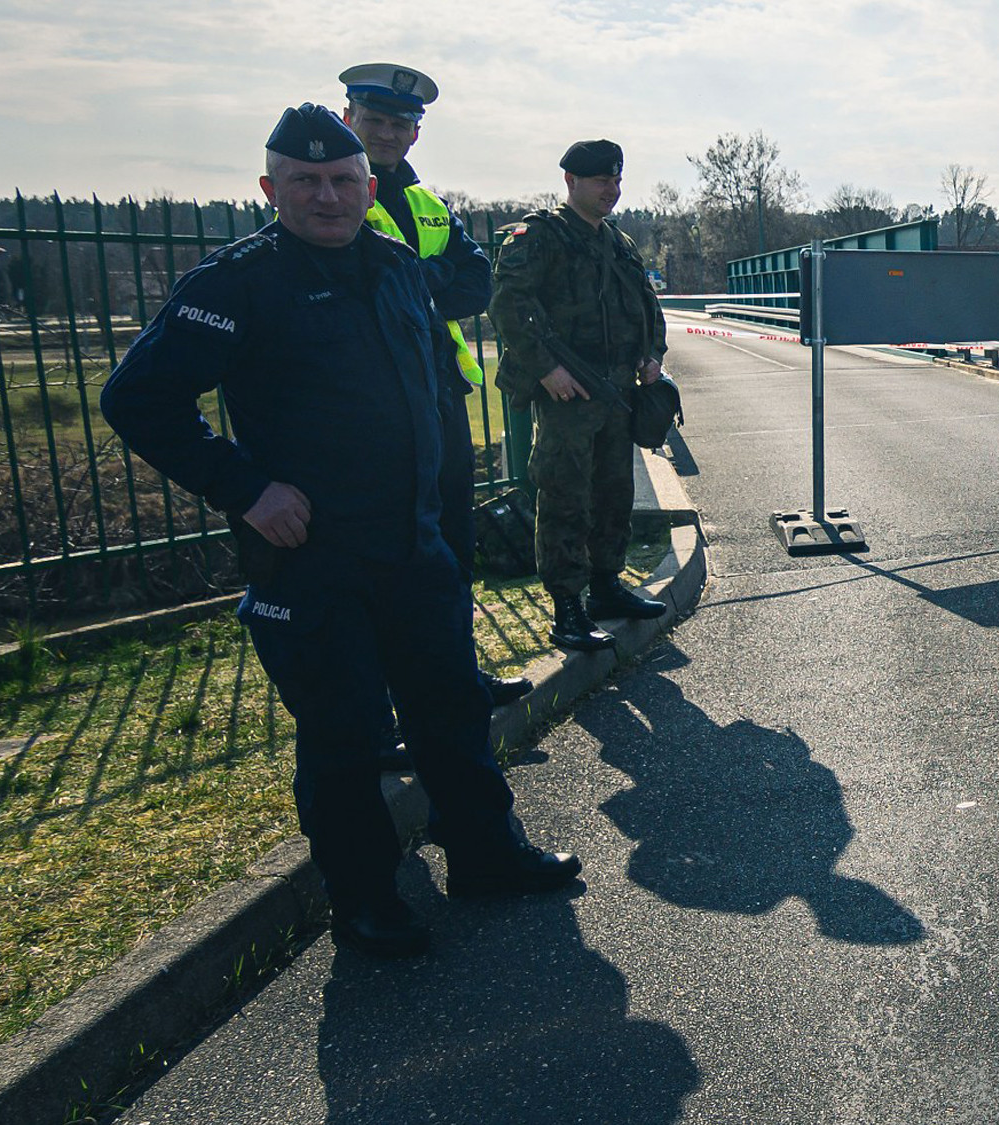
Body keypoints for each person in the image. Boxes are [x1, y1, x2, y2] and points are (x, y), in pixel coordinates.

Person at [101, 105, 582, 960]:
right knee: (345, 733)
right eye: (305, 181)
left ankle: (484, 854)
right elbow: (136, 399)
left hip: (415, 544)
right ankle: (365, 901)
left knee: (450, 709)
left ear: (368, 186)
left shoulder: (398, 265)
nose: (327, 196)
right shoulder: (236, 282)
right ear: (269, 188)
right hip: (309, 556)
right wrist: (244, 487)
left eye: (342, 180)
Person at [339, 62, 533, 714]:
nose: (389, 134)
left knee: (451, 548)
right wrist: (430, 279)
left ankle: (456, 677)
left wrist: (410, 283)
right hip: (376, 409)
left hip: (442, 401)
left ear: (415, 134)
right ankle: (390, 707)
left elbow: (476, 284)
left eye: (401, 124)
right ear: (349, 120)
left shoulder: (425, 204)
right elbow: (363, 292)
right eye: (376, 121)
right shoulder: (332, 197)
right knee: (386, 557)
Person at [488, 139, 670, 653]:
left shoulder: (620, 243)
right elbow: (507, 306)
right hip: (568, 391)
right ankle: (567, 605)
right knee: (564, 494)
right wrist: (547, 371)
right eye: (600, 181)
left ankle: (606, 586)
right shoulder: (540, 236)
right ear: (570, 182)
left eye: (616, 180)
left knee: (613, 492)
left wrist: (652, 354)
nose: (611, 190)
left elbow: (647, 308)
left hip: (616, 390)